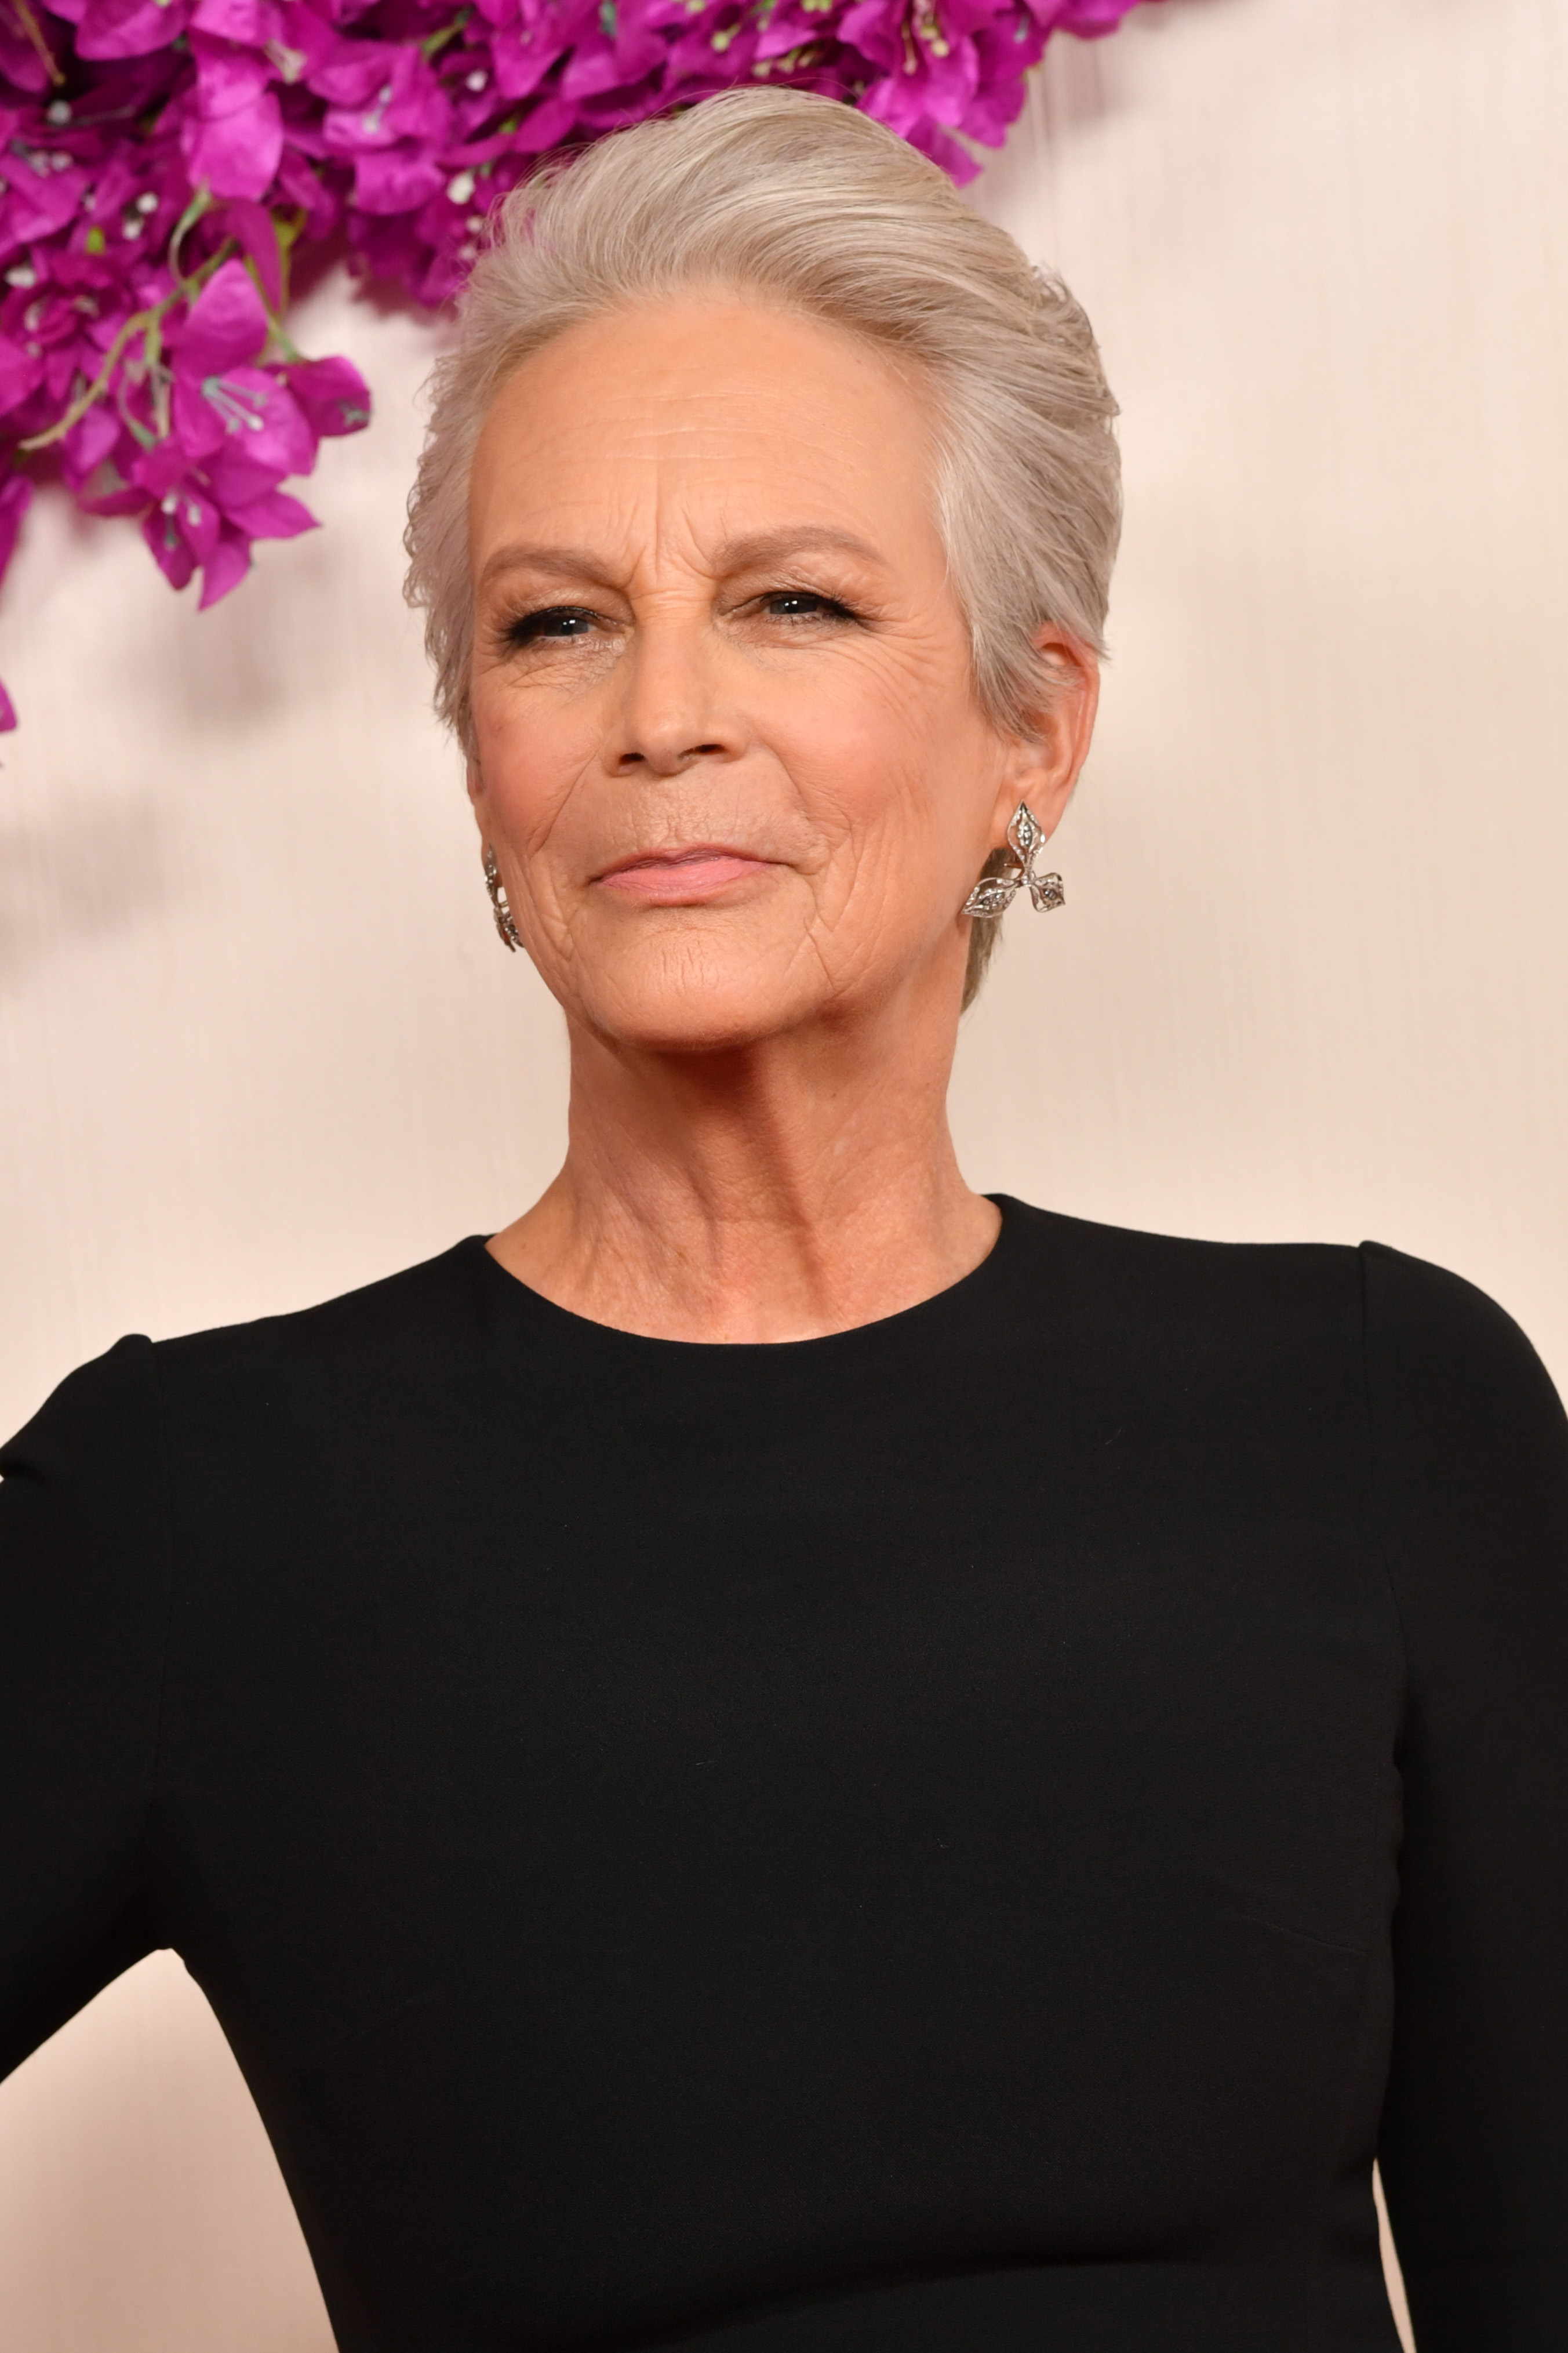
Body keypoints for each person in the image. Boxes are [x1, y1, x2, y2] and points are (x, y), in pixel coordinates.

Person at [1, 88, 1565, 2353]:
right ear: (479, 765)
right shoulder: (187, 1513)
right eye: (556, 626)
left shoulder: (1382, 1414)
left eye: (792, 602)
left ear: (1030, 729)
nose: (658, 718)